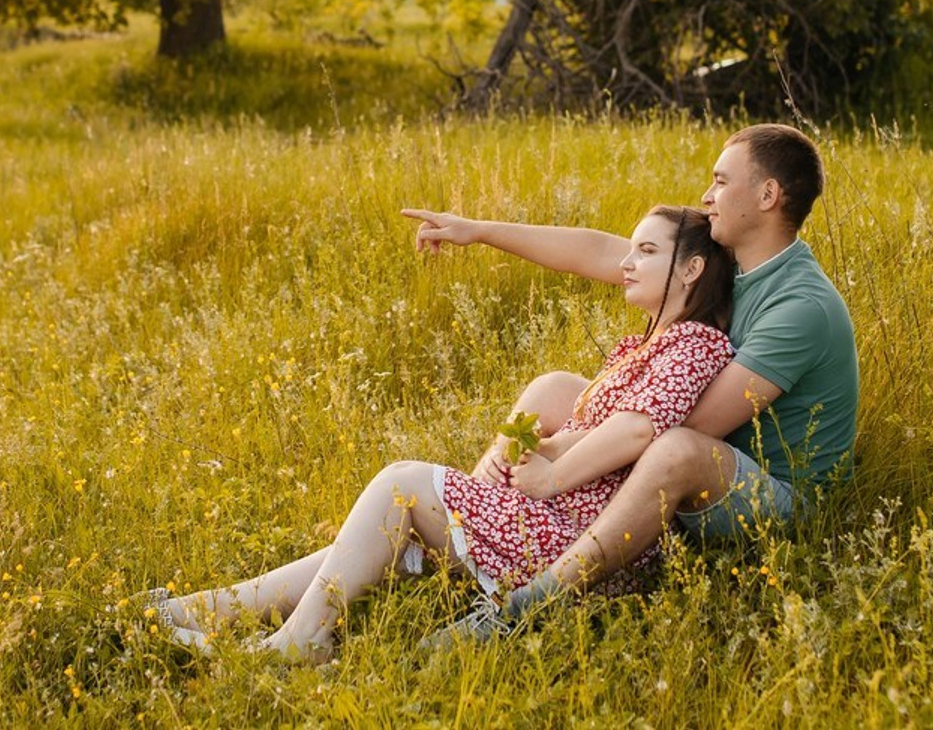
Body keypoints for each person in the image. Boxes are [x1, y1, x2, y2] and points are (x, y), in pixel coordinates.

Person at [139, 205, 733, 661]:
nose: (626, 262)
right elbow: (606, 425)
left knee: (402, 482)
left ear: (691, 268)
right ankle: (205, 609)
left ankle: (303, 640)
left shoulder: (695, 343)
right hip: (551, 522)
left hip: (574, 544)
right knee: (372, 534)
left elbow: (636, 430)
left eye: (645, 251)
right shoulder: (648, 344)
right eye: (629, 249)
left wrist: (550, 474)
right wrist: (540, 447)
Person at [415, 122, 859, 640]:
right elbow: (605, 253)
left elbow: (691, 423)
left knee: (677, 448)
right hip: (708, 458)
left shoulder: (799, 307)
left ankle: (525, 607)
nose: (706, 195)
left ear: (767, 195)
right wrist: (478, 230)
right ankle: (471, 530)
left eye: (720, 181)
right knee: (556, 388)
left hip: (777, 499)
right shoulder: (735, 260)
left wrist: (557, 452)